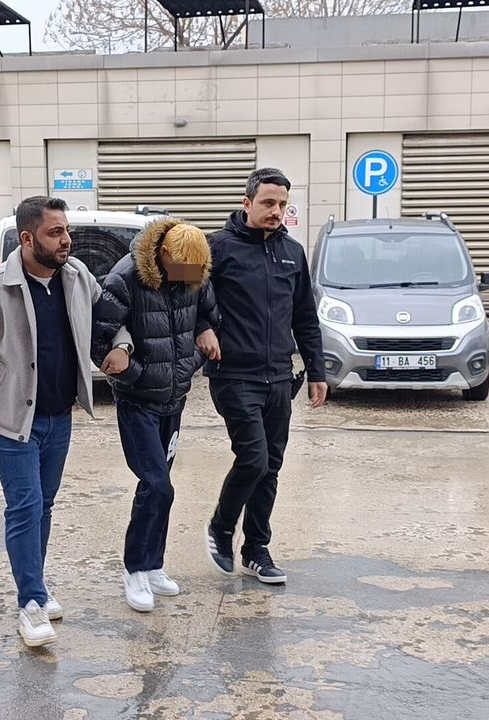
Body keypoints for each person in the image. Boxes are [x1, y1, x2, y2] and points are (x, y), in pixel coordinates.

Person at [0, 195, 118, 648]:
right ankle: (31, 602)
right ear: (27, 238)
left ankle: (35, 586)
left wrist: (124, 344)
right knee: (25, 505)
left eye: (66, 230)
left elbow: (110, 317)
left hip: (59, 416)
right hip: (8, 419)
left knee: (44, 505)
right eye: (55, 232)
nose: (66, 240)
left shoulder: (78, 277)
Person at [201, 167, 327, 586]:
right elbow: (184, 296)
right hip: (233, 374)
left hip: (279, 377)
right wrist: (202, 327)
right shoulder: (216, 247)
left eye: (283, 205)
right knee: (253, 458)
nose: (276, 211)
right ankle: (221, 527)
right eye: (268, 203)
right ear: (247, 203)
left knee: (270, 466)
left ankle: (256, 549)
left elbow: (305, 316)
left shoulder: (292, 252)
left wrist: (316, 370)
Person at [91, 219, 221, 613]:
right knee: (157, 485)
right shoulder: (125, 279)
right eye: (184, 271)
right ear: (163, 255)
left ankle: (153, 564)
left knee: (160, 488)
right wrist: (137, 373)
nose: (191, 279)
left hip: (175, 399)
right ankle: (134, 569)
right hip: (138, 402)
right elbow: (99, 339)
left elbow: (209, 318)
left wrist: (199, 348)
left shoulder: (194, 272)